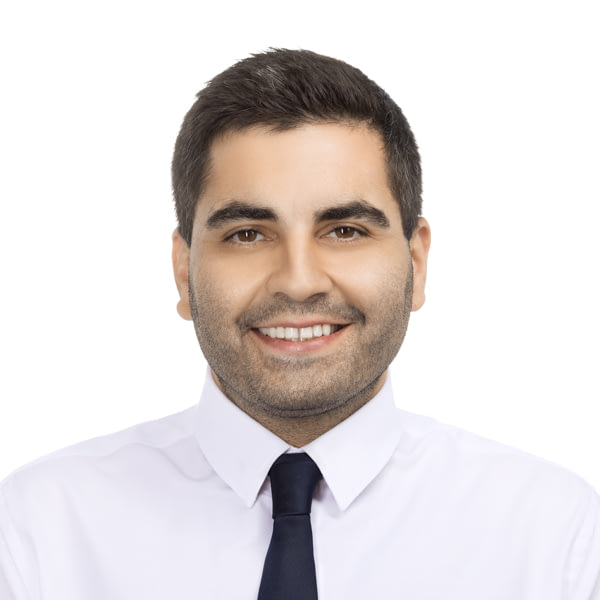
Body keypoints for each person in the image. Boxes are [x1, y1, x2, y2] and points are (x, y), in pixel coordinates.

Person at [0, 48, 598, 599]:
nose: (299, 280)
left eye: (345, 231)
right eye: (247, 234)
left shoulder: (556, 539)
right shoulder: (35, 533)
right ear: (184, 271)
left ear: (416, 262)